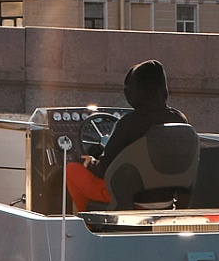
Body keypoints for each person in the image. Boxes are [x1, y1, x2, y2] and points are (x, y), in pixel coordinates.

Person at [65, 59, 188, 211]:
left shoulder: (129, 123)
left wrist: (90, 163)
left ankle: (89, 221)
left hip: (131, 200)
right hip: (167, 201)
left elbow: (105, 169)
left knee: (72, 170)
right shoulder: (180, 119)